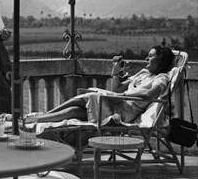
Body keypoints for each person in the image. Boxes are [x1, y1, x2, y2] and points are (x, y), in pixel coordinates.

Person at [33, 45, 175, 125]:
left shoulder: (162, 78)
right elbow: (116, 88)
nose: (146, 58)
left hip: (124, 112)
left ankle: (40, 117)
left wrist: (122, 96)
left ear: (161, 59)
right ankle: (40, 118)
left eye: (151, 56)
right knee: (74, 111)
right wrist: (115, 70)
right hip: (116, 102)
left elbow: (149, 95)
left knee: (88, 96)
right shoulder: (143, 73)